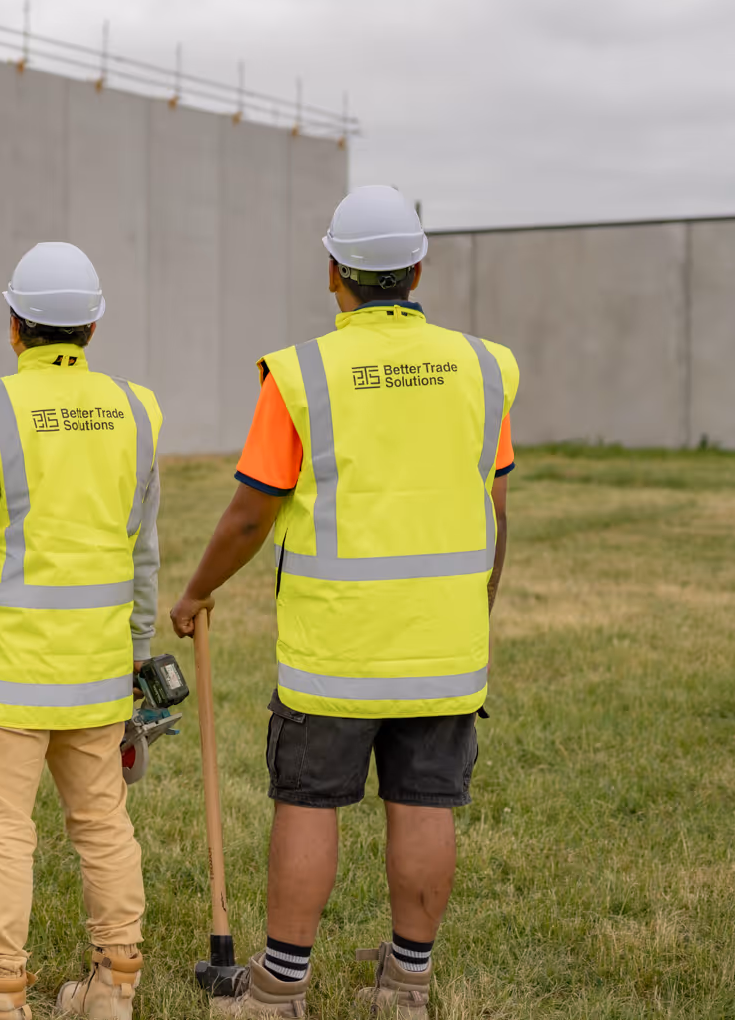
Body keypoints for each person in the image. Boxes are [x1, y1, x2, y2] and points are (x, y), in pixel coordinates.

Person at [170, 184, 519, 1018]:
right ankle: (406, 987)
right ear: (417, 266)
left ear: (335, 270)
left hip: (336, 649)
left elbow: (253, 510)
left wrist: (197, 589)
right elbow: (496, 511)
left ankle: (278, 990)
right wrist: (475, 610)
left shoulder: (301, 375)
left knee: (309, 803)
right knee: (427, 803)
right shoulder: (484, 367)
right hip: (444, 643)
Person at [0, 242, 164, 1020]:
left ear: (14, 324)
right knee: (102, 824)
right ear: (91, 323)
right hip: (96, 672)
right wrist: (138, 654)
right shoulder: (134, 410)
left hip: (3, 680)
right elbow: (142, 552)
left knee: (1, 836)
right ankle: (114, 988)